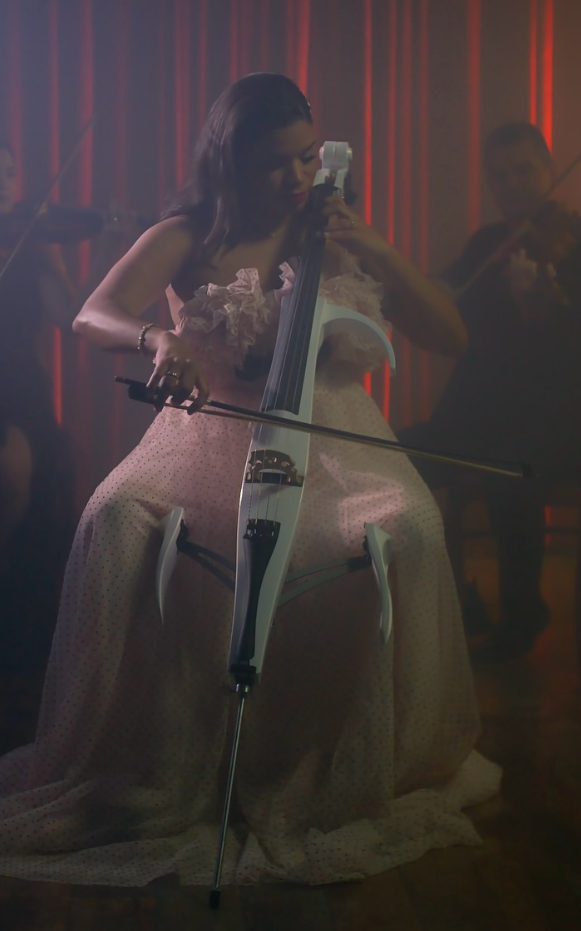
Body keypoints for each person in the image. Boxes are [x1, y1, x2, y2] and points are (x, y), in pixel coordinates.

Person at [0, 73, 500, 886]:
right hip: (207, 434)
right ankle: (142, 752)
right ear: (229, 162)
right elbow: (94, 311)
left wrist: (373, 245)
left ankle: (357, 754)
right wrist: (158, 338)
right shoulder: (188, 232)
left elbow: (452, 335)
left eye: (306, 157)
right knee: (116, 513)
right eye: (275, 163)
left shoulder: (335, 232)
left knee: (408, 527)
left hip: (334, 440)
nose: (298, 177)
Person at [401, 122, 581, 660]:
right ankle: (446, 597)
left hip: (558, 423)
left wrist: (544, 301)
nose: (513, 183)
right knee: (396, 457)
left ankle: (523, 614)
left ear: (548, 168)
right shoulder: (487, 245)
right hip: (483, 416)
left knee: (507, 474)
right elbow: (448, 296)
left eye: (524, 170)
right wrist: (429, 289)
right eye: (500, 175)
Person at [0, 139, 77, 680]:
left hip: (17, 381)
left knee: (20, 475)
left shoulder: (32, 241)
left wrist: (106, 242)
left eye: (8, 172)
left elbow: (70, 316)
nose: (5, 184)